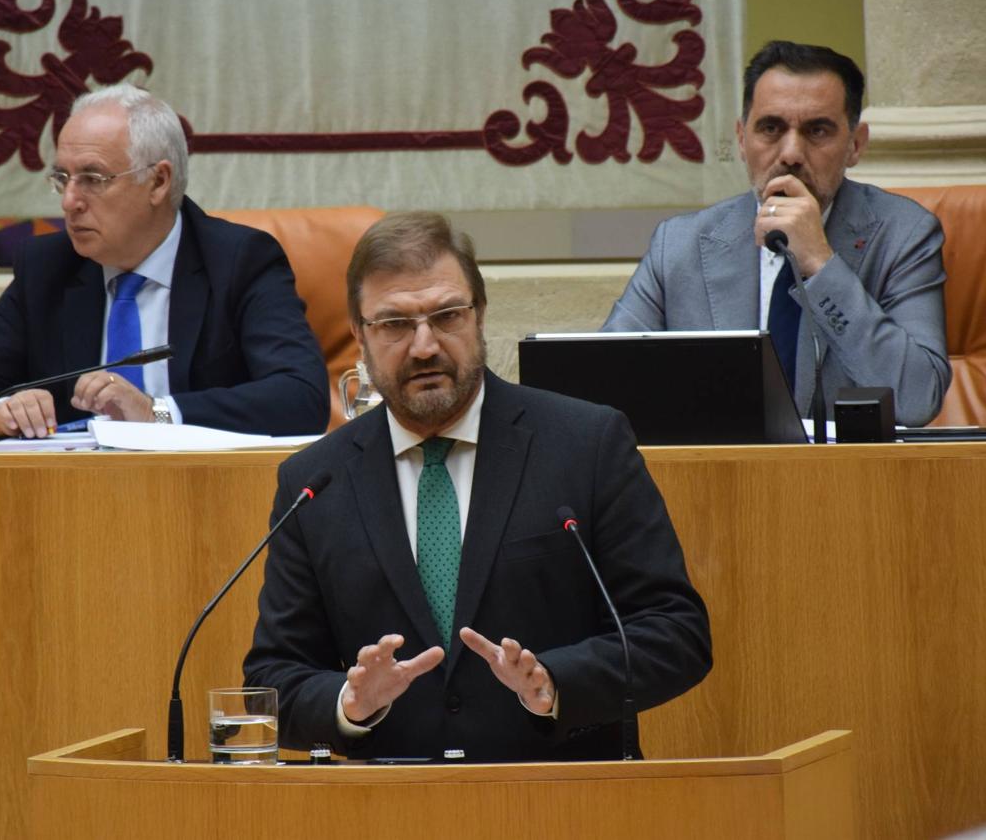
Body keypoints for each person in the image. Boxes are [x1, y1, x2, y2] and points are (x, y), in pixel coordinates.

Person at [244, 212, 711, 761]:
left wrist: (554, 683)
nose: (424, 346)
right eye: (395, 324)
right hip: (388, 810)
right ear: (360, 337)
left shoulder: (585, 444)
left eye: (446, 316)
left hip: (566, 802)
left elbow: (675, 634)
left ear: (480, 316)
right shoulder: (314, 483)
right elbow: (273, 677)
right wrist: (349, 701)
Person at [0, 84, 329, 442]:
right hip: (76, 499)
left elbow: (301, 396)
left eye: (93, 178)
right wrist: (1, 412)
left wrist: (157, 413)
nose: (69, 201)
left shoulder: (239, 260)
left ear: (158, 182)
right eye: (62, 178)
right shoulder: (49, 267)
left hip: (206, 495)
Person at [603, 40, 952, 427]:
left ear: (855, 144)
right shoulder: (680, 245)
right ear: (741, 139)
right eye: (770, 128)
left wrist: (822, 264)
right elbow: (606, 390)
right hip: (718, 479)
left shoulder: (905, 235)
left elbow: (918, 398)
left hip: (848, 481)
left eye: (817, 131)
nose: (791, 153)